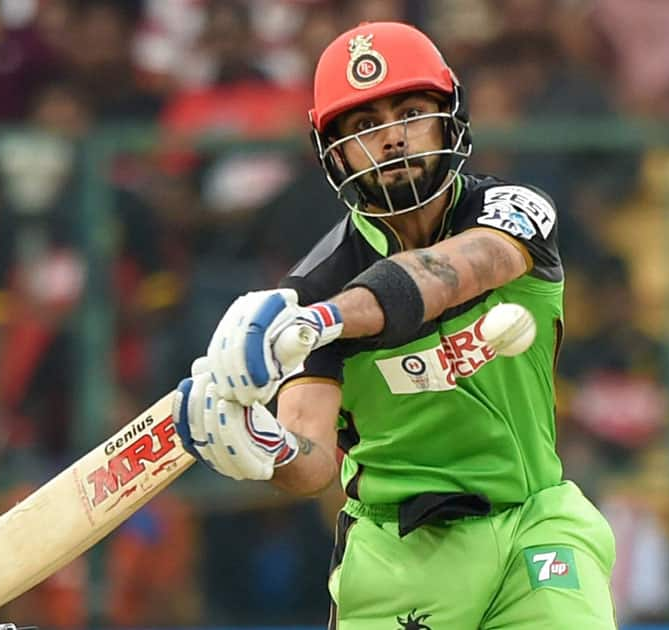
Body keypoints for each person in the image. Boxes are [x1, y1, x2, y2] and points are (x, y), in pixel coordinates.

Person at [173, 21, 616, 629]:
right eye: (363, 128)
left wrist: (323, 320)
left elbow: (453, 272)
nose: (391, 138)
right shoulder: (310, 288)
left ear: (447, 117)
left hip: (533, 523)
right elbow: (312, 458)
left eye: (409, 111)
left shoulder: (511, 210)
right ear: (335, 153)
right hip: (396, 554)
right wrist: (261, 447)